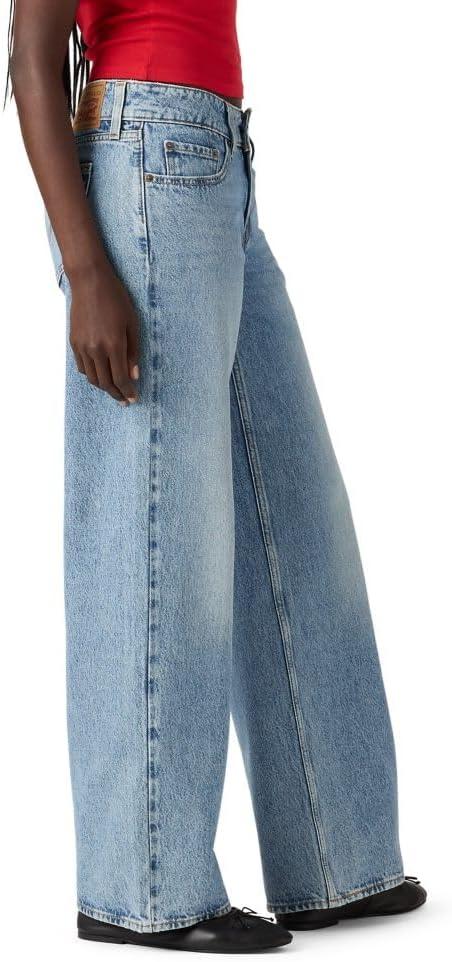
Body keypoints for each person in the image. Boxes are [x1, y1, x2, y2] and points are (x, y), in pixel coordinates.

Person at [6, 1, 426, 953]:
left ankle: (334, 859)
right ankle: (144, 887)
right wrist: (86, 269)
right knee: (162, 542)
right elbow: (30, 58)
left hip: (216, 161)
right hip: (148, 161)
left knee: (298, 521)